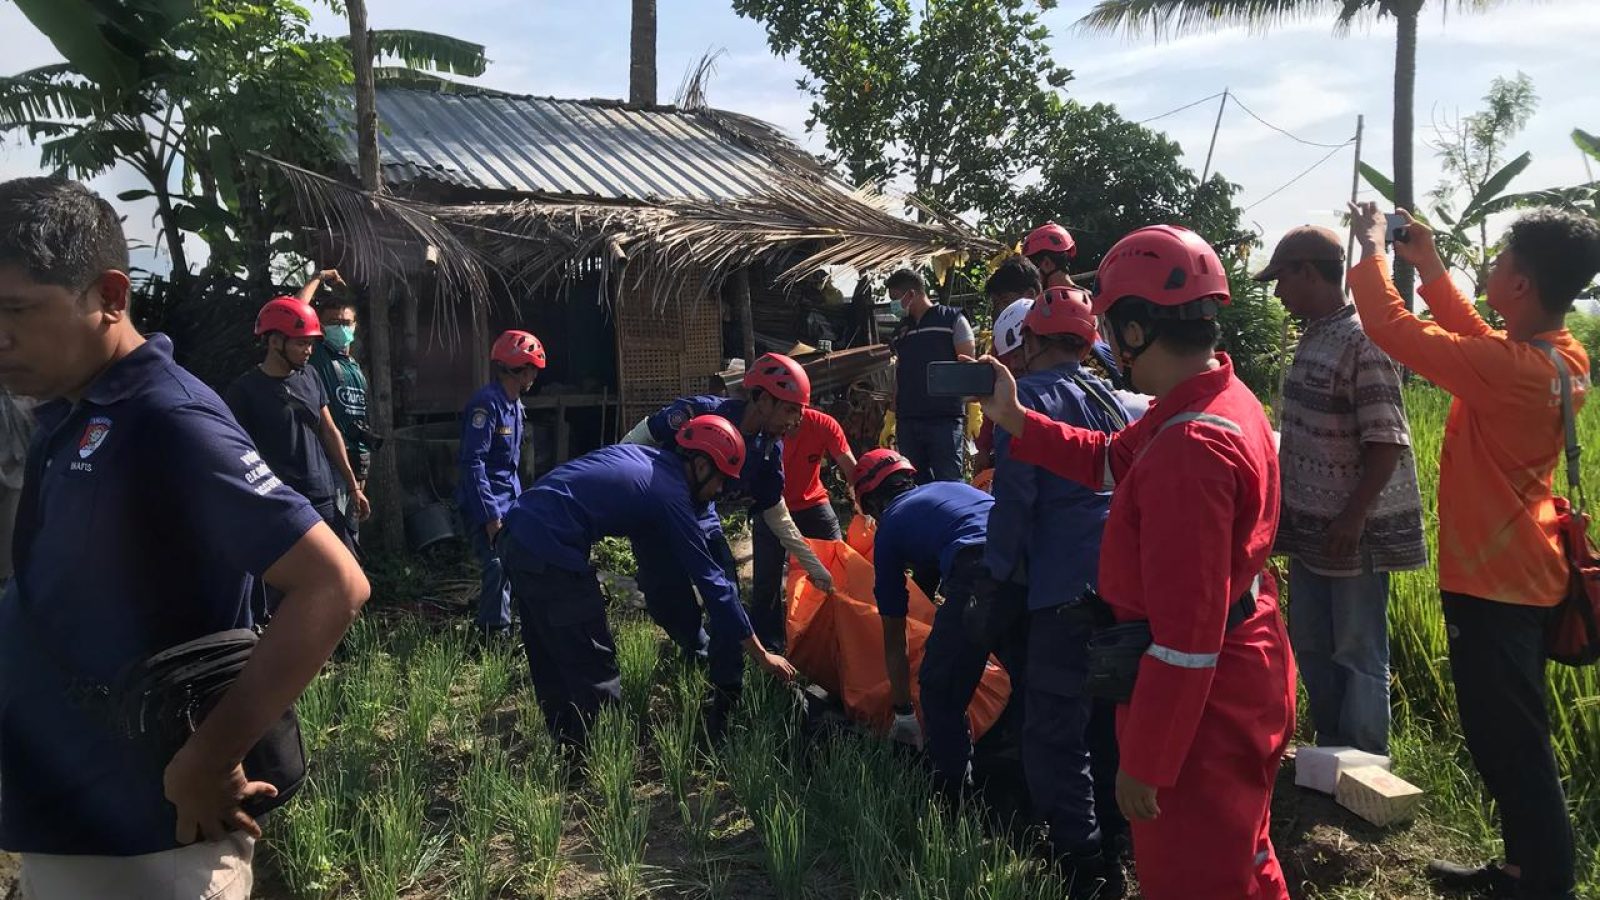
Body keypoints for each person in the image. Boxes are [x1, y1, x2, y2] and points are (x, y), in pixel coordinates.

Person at [0, 177, 369, 899]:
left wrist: (207, 759)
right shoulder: (67, 412)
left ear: (110, 295)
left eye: (16, 310)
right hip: (72, 814)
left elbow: (334, 584)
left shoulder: (167, 419)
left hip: (154, 839)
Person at [977, 224, 1295, 900]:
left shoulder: (1191, 450)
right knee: (1242, 855)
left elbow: (1185, 639)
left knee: (1194, 872)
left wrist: (1147, 761)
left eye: (1111, 322)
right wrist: (1017, 419)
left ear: (1135, 327)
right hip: (1244, 660)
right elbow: (1107, 459)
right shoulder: (1214, 399)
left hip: (1203, 700)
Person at [1347, 202, 1600, 900]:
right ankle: (1526, 869)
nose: (1490, 267)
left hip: (1494, 584)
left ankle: (1542, 883)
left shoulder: (1511, 366)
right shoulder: (1558, 356)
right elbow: (1478, 337)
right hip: (1523, 571)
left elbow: (1390, 329)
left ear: (1521, 284)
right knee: (1511, 734)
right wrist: (1427, 265)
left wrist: (1368, 251)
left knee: (1510, 744)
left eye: (1501, 261)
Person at [497, 415, 795, 746]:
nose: (720, 490)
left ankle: (570, 752)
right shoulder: (670, 494)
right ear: (700, 465)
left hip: (516, 534)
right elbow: (714, 584)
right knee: (592, 660)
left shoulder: (649, 461)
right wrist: (762, 655)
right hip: (550, 547)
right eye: (721, 479)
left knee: (551, 654)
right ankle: (605, 756)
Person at [1255, 225, 1426, 756]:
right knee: (1312, 642)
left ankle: (1367, 761)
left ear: (1308, 271)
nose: (1278, 293)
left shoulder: (1362, 339)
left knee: (1357, 648)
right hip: (1312, 528)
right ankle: (1329, 751)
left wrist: (1352, 519)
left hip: (1352, 532)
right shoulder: (1315, 334)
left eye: (1281, 279)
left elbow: (1386, 440)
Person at [984, 286, 1132, 896]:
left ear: (1031, 342)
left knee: (1052, 731)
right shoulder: (1113, 398)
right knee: (1107, 721)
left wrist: (996, 578)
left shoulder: (1025, 402)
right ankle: (1120, 844)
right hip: (1121, 582)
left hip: (1062, 587)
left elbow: (1014, 505)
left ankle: (1083, 864)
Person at [623, 352, 833, 730]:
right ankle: (696, 648)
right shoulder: (698, 413)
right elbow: (637, 440)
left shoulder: (770, 450)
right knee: (665, 601)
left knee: (726, 598)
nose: (796, 420)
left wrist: (813, 563)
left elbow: (775, 511)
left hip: (703, 521)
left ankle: (724, 698)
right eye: (789, 410)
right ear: (762, 399)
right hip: (657, 519)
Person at [853, 449, 1001, 794]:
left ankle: (953, 798)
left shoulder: (889, 528)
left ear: (872, 502)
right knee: (1025, 674)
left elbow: (894, 632)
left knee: (940, 690)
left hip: (978, 570)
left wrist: (903, 710)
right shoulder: (950, 491)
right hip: (1029, 559)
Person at [225, 293, 371, 589]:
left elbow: (329, 431)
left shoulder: (311, 376)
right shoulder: (245, 391)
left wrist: (352, 486)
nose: (308, 350)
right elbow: (237, 455)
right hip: (280, 503)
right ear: (275, 342)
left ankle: (335, 636)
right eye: (301, 342)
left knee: (348, 577)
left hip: (323, 495)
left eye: (311, 343)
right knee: (291, 587)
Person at [456, 329, 544, 638]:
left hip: (510, 497)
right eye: (532, 368)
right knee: (495, 563)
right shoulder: (487, 405)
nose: (534, 375)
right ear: (521, 369)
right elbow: (473, 463)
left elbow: (511, 467)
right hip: (485, 500)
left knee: (515, 560)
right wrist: (491, 516)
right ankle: (491, 635)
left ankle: (511, 623)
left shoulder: (515, 406)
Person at [750, 404, 857, 652]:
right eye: (784, 411)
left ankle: (842, 634)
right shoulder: (763, 429)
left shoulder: (824, 424)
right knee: (767, 580)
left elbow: (850, 467)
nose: (790, 421)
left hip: (813, 503)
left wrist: (864, 504)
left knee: (840, 565)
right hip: (771, 505)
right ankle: (769, 647)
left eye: (795, 412)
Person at [885, 268, 975, 483]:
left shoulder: (951, 319)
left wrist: (973, 407)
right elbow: (900, 370)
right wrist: (892, 411)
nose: (894, 306)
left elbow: (969, 366)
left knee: (949, 480)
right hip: (909, 420)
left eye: (896, 299)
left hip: (944, 418)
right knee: (916, 482)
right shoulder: (901, 331)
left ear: (912, 294)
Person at [306, 273, 372, 552]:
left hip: (358, 461)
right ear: (321, 326)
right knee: (336, 539)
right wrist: (317, 278)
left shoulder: (354, 366)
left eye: (346, 323)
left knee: (352, 533)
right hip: (332, 460)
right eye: (333, 323)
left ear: (355, 327)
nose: (340, 328)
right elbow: (299, 310)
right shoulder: (320, 356)